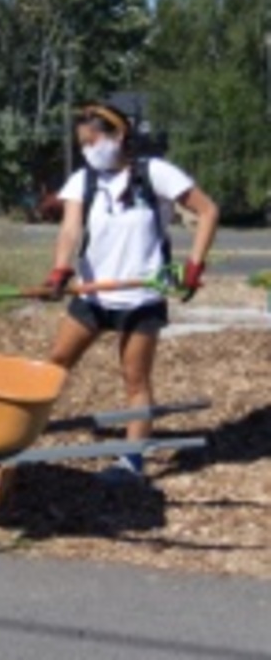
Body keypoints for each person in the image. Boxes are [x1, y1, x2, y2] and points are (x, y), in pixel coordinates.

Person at [43, 102, 219, 484]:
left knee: (135, 378)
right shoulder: (83, 180)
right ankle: (20, 435)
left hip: (141, 297)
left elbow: (207, 211)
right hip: (92, 294)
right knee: (55, 363)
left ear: (117, 136)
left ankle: (132, 462)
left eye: (93, 141)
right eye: (83, 144)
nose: (89, 149)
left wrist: (194, 266)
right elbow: (70, 230)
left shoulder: (155, 173)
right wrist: (60, 267)